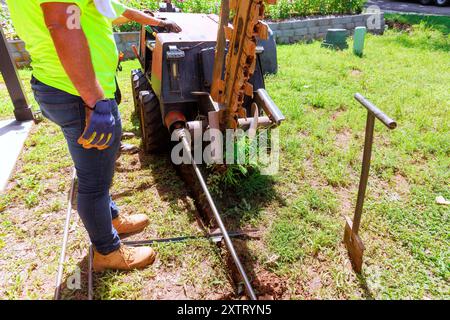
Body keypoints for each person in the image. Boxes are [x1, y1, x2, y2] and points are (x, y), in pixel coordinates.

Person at [6, 0, 181, 271]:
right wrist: (94, 101)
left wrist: (157, 22)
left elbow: (114, 9)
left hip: (64, 86)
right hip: (78, 93)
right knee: (94, 182)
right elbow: (62, 25)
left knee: (97, 169)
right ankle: (107, 251)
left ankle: (110, 218)